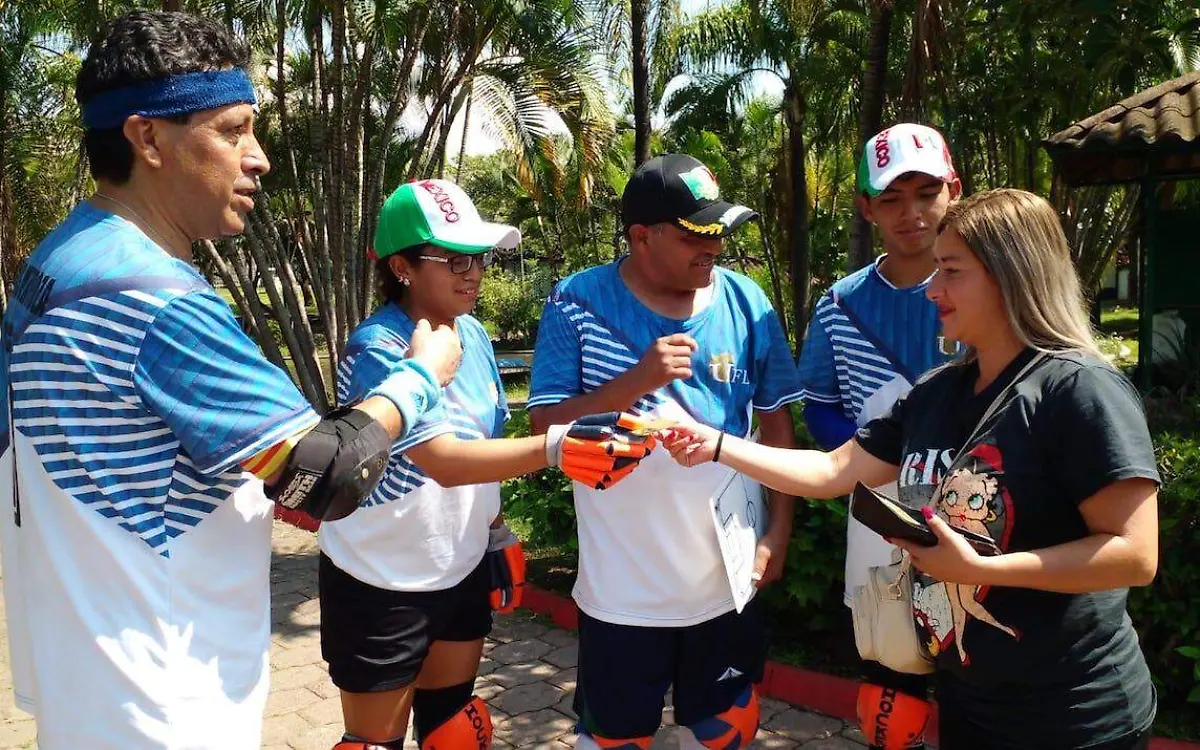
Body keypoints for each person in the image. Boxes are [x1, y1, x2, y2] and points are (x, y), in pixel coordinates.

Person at [0, 12, 465, 749]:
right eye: (232, 129)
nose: (259, 159)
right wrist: (419, 377)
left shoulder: (54, 265)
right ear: (147, 138)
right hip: (166, 694)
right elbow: (326, 478)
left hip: (85, 668)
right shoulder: (150, 297)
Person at [662, 189, 1160, 750]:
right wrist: (717, 444)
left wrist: (983, 569)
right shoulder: (937, 392)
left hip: (1076, 716)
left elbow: (1134, 554)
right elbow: (831, 472)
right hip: (970, 700)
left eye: (950, 271)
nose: (932, 289)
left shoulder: (1077, 390)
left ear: (1010, 275)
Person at [321, 179, 656, 750]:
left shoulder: (473, 334)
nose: (473, 273)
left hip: (459, 564)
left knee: (453, 726)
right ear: (402, 265)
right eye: (452, 260)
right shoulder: (378, 347)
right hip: (381, 577)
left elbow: (483, 436)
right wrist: (557, 447)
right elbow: (443, 461)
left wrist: (496, 532)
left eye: (478, 258)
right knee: (373, 742)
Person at [527, 153, 804, 749]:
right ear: (641, 237)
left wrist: (776, 533)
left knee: (726, 729)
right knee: (616, 738)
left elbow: (778, 425)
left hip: (726, 584)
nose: (714, 249)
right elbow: (542, 427)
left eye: (720, 234)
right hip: (622, 594)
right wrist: (635, 382)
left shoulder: (747, 302)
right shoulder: (577, 301)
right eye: (694, 236)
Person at [796, 123, 962, 749]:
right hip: (879, 511)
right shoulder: (840, 304)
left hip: (976, 513)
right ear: (866, 207)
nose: (910, 213)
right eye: (891, 198)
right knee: (890, 679)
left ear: (953, 190)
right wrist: (887, 469)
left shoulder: (990, 287)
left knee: (976, 670)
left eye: (925, 193)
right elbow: (820, 406)